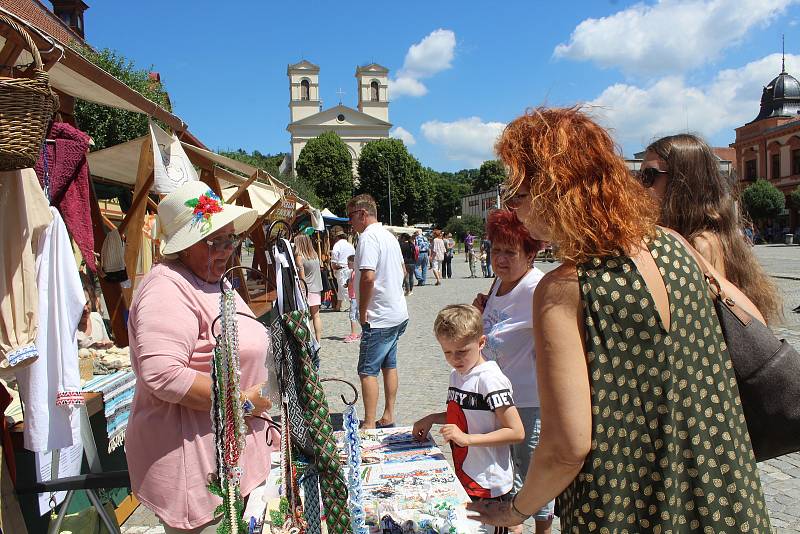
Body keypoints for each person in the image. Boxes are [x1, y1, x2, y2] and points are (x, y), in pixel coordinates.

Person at [467, 107, 771, 532]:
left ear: (556, 191)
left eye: (518, 192)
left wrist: (516, 510)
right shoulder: (673, 243)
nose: (512, 207)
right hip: (721, 489)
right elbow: (753, 326)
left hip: (626, 501)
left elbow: (566, 447)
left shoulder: (563, 288)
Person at [126, 182, 272, 533]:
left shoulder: (212, 280)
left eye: (230, 240)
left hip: (231, 458)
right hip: (196, 466)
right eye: (215, 242)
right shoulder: (166, 286)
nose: (226, 250)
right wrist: (241, 403)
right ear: (183, 247)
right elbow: (163, 375)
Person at [642, 134, 782, 323]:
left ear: (682, 182)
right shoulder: (704, 235)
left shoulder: (700, 243)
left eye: (647, 176)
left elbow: (692, 322)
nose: (639, 186)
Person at [471, 210, 553, 534]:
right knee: (506, 475)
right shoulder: (498, 284)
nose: (500, 259)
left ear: (531, 254)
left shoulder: (538, 287)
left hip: (527, 401)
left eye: (510, 252)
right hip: (497, 400)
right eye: (496, 250)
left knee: (533, 476)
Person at [413, 304, 524, 534]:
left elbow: (516, 431)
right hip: (469, 475)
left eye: (462, 351)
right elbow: (465, 416)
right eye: (447, 352)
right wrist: (433, 418)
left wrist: (466, 439)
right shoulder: (458, 375)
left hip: (490, 482)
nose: (455, 359)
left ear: (481, 342)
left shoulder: (490, 380)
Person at [347, 194, 409, 429]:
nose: (350, 222)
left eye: (351, 217)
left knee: (367, 370)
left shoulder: (369, 237)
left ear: (362, 214)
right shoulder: (388, 236)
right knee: (389, 365)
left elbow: (368, 277)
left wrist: (362, 311)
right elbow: (402, 271)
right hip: (397, 313)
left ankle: (370, 422)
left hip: (379, 317)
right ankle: (389, 413)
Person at [293, 234, 323, 343]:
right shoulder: (314, 255)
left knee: (305, 316)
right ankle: (318, 340)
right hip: (317, 288)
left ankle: (309, 341)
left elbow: (302, 278)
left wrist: (301, 292)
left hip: (307, 289)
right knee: (316, 315)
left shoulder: (300, 257)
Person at [330, 226, 355, 312]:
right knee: (343, 288)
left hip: (342, 269)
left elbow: (334, 258)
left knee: (344, 288)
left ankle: (352, 305)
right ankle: (338, 306)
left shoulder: (337, 245)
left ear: (336, 237)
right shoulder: (350, 245)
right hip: (350, 269)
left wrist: (334, 266)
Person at [344, 255, 361, 343]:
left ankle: (353, 334)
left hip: (354, 297)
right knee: (357, 315)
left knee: (352, 315)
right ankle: (364, 331)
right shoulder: (354, 272)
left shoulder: (355, 273)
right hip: (355, 296)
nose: (347, 264)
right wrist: (347, 283)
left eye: (349, 262)